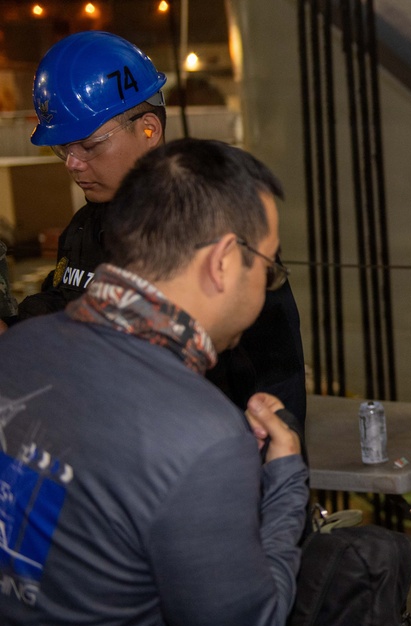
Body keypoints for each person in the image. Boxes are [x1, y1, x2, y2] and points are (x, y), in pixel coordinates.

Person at [0, 138, 308, 626]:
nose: (265, 287)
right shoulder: (202, 434)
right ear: (224, 262)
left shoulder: (18, 349)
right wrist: (284, 484)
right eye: (267, 266)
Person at [1, 30, 308, 430]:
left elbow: (262, 368)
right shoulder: (85, 226)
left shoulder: (206, 226)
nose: (72, 165)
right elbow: (65, 302)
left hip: (214, 451)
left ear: (148, 129)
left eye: (88, 146)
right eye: (63, 149)